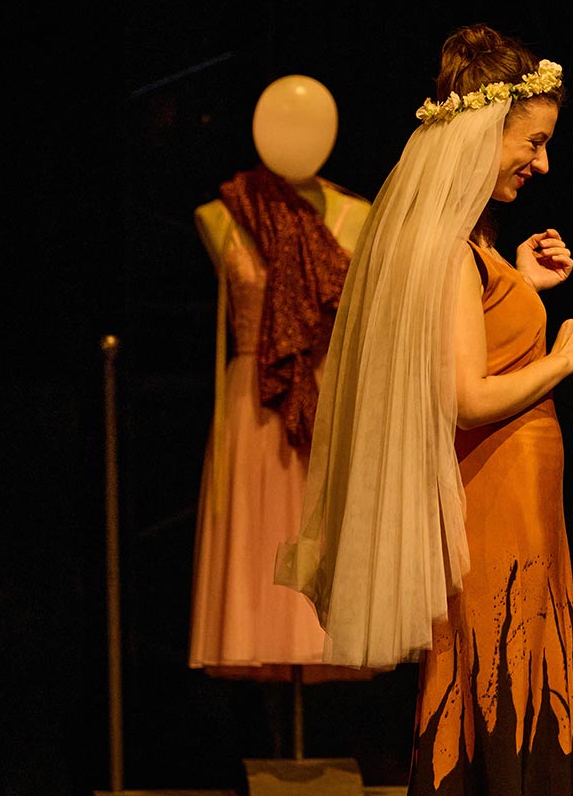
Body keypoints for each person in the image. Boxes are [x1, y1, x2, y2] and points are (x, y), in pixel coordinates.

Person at [274, 24, 573, 795]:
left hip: (517, 499)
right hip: (497, 501)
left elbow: (478, 334)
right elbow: (468, 399)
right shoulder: (452, 250)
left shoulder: (467, 244)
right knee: (501, 672)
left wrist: (518, 281)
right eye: (534, 142)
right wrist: (565, 356)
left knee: (513, 670)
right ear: (484, 134)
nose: (543, 163)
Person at [190, 74, 373, 688]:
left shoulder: (360, 216)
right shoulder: (222, 212)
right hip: (253, 404)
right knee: (256, 544)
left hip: (327, 404)